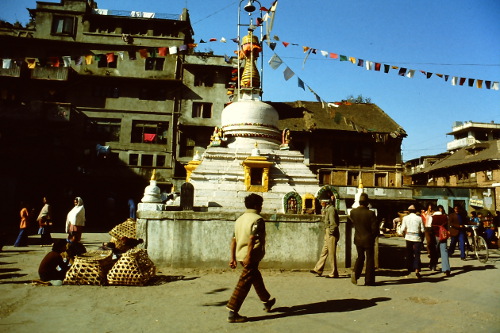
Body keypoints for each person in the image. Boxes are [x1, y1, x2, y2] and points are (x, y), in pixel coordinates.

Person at [226, 194, 275, 323]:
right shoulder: (257, 219)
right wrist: (249, 256)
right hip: (251, 255)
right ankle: (232, 312)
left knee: (255, 277)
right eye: (261, 204)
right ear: (256, 205)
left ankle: (266, 301)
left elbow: (233, 240)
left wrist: (233, 257)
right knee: (244, 283)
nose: (261, 207)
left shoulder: (240, 220)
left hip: (240, 254)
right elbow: (252, 239)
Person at [349, 193, 378, 286]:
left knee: (360, 257)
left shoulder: (353, 212)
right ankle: (369, 280)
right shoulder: (371, 213)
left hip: (358, 238)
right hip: (368, 239)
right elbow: (374, 229)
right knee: (370, 259)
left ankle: (356, 273)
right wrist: (374, 236)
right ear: (367, 202)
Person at [310, 198, 340, 278]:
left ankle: (334, 272)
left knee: (331, 254)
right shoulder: (328, 209)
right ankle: (318, 269)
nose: (320, 204)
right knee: (324, 252)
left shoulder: (331, 210)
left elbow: (333, 223)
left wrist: (330, 233)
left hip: (331, 234)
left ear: (325, 203)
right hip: (328, 233)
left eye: (321, 202)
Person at [400, 204, 425, 278]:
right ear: (415, 211)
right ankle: (417, 270)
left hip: (408, 237)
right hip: (417, 237)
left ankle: (409, 267)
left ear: (408, 211)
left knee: (409, 253)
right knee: (417, 254)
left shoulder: (405, 218)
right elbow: (422, 229)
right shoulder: (419, 218)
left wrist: (402, 234)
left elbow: (402, 228)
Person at [430, 204, 451, 276]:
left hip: (435, 236)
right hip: (443, 236)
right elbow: (448, 227)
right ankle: (446, 269)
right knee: (444, 251)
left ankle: (433, 265)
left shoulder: (432, 217)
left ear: (434, 211)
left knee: (434, 251)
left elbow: (429, 227)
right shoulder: (445, 217)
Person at [423, 204, 438, 271]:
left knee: (434, 243)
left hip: (433, 228)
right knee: (428, 241)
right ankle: (429, 252)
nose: (430, 208)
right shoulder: (425, 213)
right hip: (427, 228)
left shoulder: (434, 213)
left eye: (431, 207)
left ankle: (433, 257)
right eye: (429, 207)